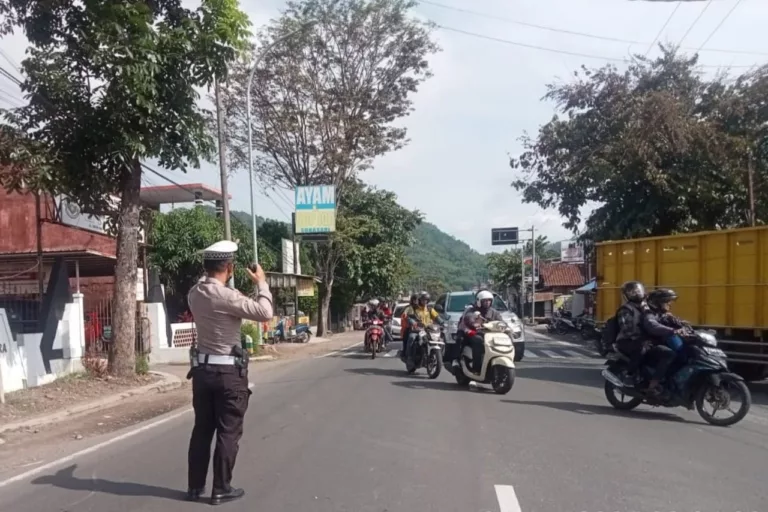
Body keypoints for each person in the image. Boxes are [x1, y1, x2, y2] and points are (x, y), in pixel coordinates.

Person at [186, 240, 274, 505]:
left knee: (202, 430)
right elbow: (265, 311)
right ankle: (221, 488)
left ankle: (194, 487)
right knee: (228, 432)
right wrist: (261, 283)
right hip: (228, 374)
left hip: (202, 371)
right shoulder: (226, 296)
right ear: (229, 267)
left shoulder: (194, 293)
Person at [455, 290, 503, 374]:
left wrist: (506, 327)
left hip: (489, 335)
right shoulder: (472, 310)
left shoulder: (494, 312)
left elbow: (501, 322)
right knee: (478, 341)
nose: (487, 303)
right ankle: (476, 368)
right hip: (472, 332)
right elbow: (468, 318)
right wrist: (474, 322)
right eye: (485, 301)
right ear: (479, 301)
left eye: (489, 300)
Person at [614, 281, 650, 387]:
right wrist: (643, 337)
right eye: (633, 292)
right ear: (627, 295)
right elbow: (627, 330)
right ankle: (629, 375)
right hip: (626, 340)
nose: (637, 294)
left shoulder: (646, 307)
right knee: (641, 349)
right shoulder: (625, 309)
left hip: (642, 338)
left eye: (638, 291)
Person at [399, 293, 419, 360]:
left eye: (417, 300)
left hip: (421, 328)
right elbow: (404, 314)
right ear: (412, 300)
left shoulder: (422, 308)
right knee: (408, 338)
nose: (416, 301)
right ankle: (406, 354)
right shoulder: (409, 307)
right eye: (415, 300)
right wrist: (408, 317)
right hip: (410, 328)